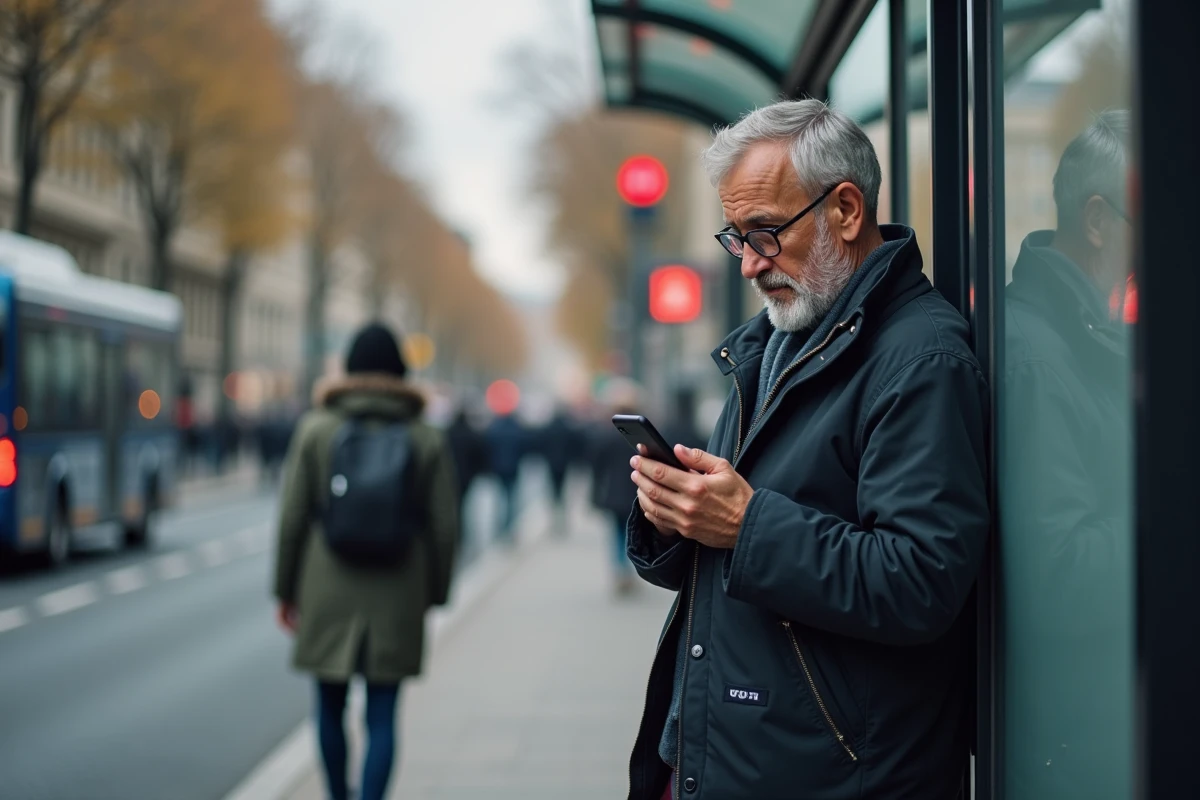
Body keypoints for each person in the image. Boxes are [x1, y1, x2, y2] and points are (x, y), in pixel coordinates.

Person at [624, 99, 989, 800]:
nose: (749, 266)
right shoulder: (784, 336)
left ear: (847, 211)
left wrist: (744, 524)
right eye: (735, 238)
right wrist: (678, 516)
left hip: (833, 775)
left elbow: (921, 581)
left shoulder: (922, 359)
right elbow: (741, 548)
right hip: (740, 757)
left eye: (764, 234)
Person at [1001, 111, 1133, 798]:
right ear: (1099, 221)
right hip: (1073, 744)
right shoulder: (1038, 359)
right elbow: (1056, 571)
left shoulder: (1075, 332)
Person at [273, 323, 458, 800]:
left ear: (348, 369)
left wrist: (285, 590)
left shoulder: (317, 428)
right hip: (399, 586)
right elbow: (443, 526)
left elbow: (293, 516)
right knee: (382, 715)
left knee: (328, 708)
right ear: (400, 371)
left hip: (325, 584)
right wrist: (434, 593)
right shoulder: (425, 436)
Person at [588, 382, 643, 594]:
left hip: (612, 492)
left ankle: (619, 570)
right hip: (635, 491)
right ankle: (629, 570)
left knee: (617, 533)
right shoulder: (640, 434)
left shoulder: (606, 434)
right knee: (633, 533)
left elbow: (595, 465)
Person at [485, 410, 525, 543]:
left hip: (499, 468)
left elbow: (489, 448)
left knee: (499, 498)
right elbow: (522, 448)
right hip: (513, 468)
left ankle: (499, 527)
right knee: (511, 499)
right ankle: (509, 528)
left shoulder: (495, 428)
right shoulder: (516, 429)